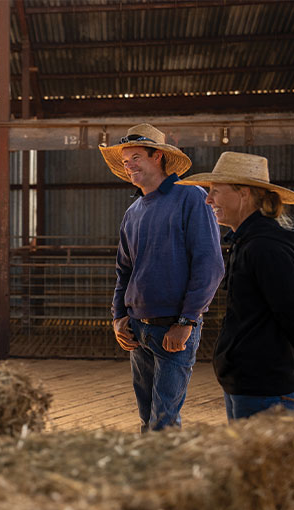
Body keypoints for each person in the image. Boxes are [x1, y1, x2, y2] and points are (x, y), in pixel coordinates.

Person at [99, 123, 224, 432]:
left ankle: (167, 463)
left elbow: (209, 264)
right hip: (137, 328)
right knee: (147, 418)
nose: (129, 166)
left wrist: (187, 320)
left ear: (158, 157)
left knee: (163, 422)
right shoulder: (134, 211)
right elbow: (124, 271)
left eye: (136, 158)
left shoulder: (191, 198)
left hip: (173, 327)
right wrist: (118, 317)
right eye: (125, 161)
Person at [176, 152, 294, 420]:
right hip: (248, 384)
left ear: (244, 193)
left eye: (216, 191)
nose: (208, 199)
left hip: (266, 387)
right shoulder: (247, 242)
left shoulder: (265, 247)